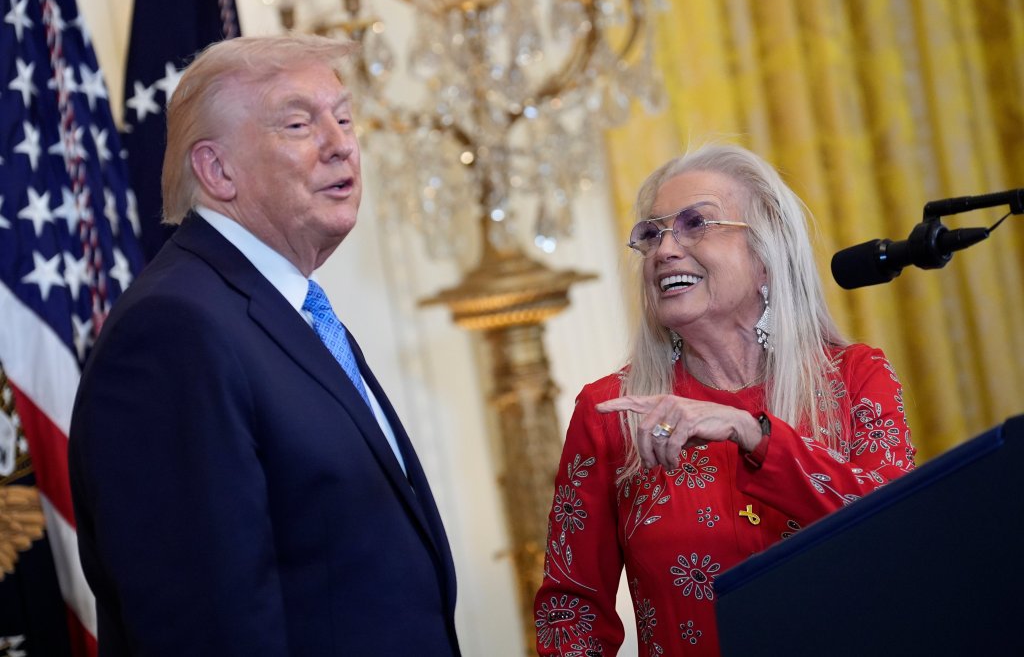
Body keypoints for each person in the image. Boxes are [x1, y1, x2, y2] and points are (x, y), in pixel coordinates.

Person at [68, 35, 460, 656]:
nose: (340, 144)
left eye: (344, 117)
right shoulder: (174, 331)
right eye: (299, 123)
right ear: (217, 170)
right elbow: (202, 629)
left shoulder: (284, 309)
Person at [533, 143, 916, 656]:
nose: (666, 249)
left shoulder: (854, 378)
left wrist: (750, 432)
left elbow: (900, 533)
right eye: (653, 234)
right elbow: (570, 613)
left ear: (766, 257)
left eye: (697, 224)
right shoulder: (610, 413)